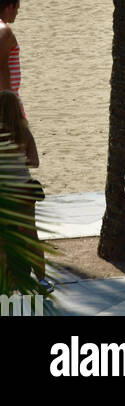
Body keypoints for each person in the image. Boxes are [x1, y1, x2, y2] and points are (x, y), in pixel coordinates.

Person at [0, 88, 47, 286]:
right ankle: (42, 280)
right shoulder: (24, 132)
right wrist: (19, 161)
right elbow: (35, 162)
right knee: (31, 236)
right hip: (24, 191)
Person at [0, 0, 22, 100]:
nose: (17, 13)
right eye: (17, 9)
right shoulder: (4, 30)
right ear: (9, 7)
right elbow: (2, 68)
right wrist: (9, 100)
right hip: (6, 97)